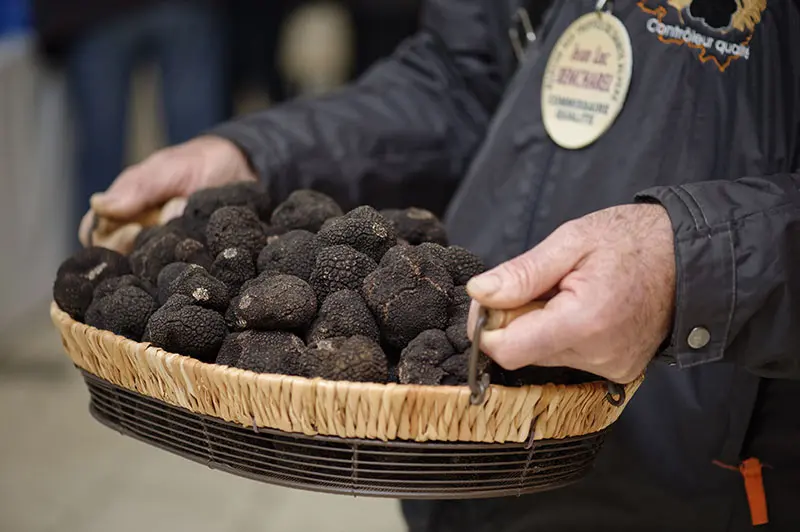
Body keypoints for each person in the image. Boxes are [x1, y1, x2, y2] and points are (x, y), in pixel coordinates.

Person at [78, 0, 800, 530]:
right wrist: (259, 154)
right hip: (458, 442)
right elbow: (459, 79)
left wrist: (693, 265)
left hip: (709, 478)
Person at [30, 0, 228, 241]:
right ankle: (94, 265)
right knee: (199, 148)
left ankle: (93, 266)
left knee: (202, 156)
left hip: (93, 15)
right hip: (106, 16)